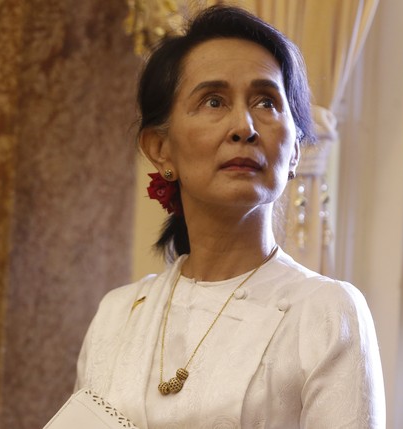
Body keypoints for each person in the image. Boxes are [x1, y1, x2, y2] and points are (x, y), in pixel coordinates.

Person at [75, 5, 385, 428]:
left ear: (295, 150)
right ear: (160, 149)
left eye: (266, 101)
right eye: (214, 101)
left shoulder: (325, 313)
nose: (244, 126)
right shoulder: (118, 315)